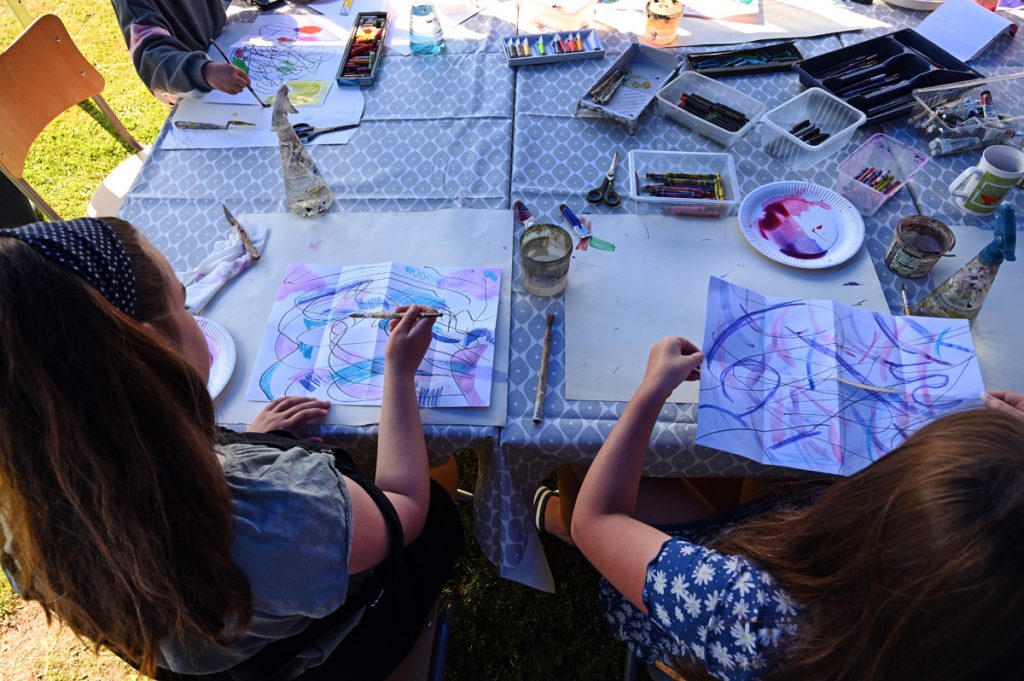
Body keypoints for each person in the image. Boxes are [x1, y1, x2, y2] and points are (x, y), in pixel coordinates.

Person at [0, 217, 463, 680]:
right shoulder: (276, 511)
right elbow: (405, 506)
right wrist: (399, 375)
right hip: (329, 651)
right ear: (148, 346)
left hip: (226, 662)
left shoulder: (23, 517)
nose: (194, 317)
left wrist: (256, 443)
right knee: (440, 504)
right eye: (182, 303)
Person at [569, 336, 1024, 680]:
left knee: (585, 477)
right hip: (772, 554)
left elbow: (597, 519)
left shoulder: (756, 615)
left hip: (676, 622)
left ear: (878, 519)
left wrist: (652, 389)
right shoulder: (985, 636)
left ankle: (548, 514)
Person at [112, 0, 251, 101]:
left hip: (221, 41)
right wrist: (202, 71)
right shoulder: (131, 4)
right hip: (187, 81)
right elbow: (151, 58)